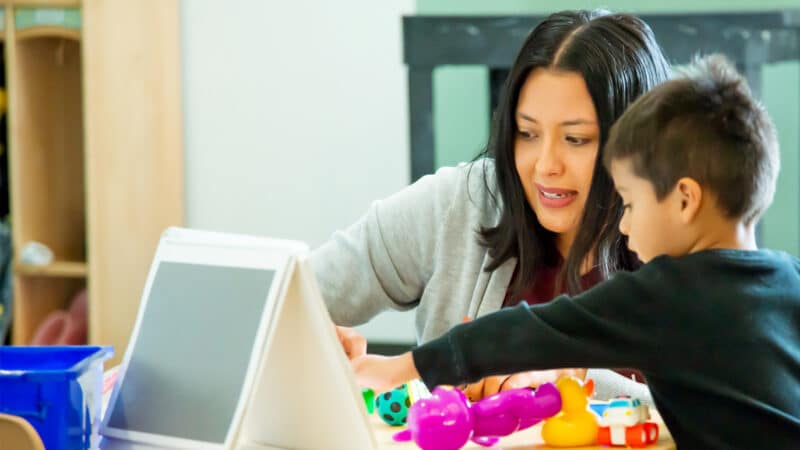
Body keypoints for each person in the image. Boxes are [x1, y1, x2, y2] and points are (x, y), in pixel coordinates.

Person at [351, 55, 800, 448]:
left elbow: (530, 331)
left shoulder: (663, 296)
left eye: (630, 202)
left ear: (684, 200)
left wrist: (398, 369)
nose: (623, 223)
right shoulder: (790, 277)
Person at [311, 9, 671, 400]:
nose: (545, 166)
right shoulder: (461, 202)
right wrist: (309, 332)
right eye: (526, 133)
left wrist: (570, 381)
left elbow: (728, 413)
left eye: (576, 139)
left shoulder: (690, 245)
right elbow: (287, 297)